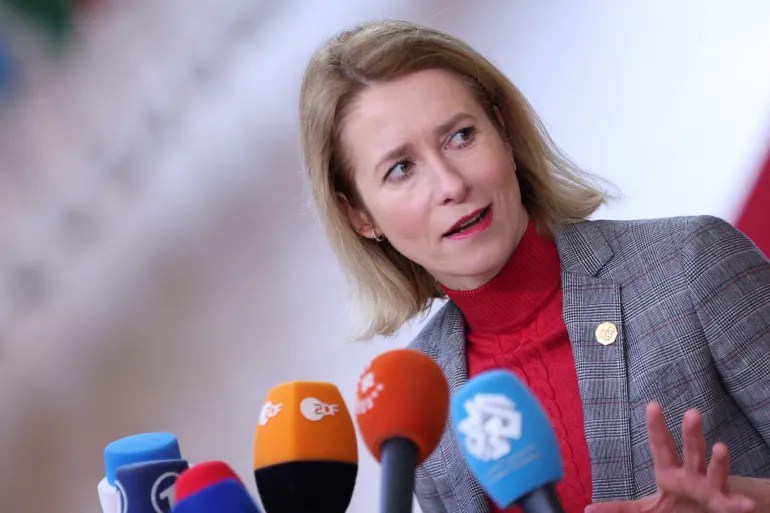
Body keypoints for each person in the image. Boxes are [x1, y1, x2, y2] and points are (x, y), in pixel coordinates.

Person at [299, 19, 770, 513]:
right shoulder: (419, 408)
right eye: (401, 168)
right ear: (359, 216)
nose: (450, 185)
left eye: (461, 136)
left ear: (503, 132)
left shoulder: (690, 263)